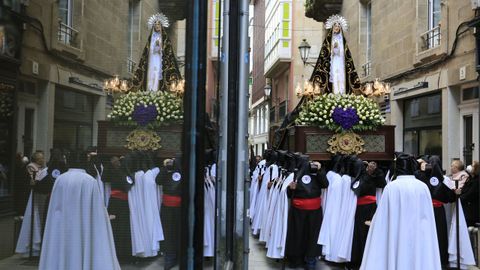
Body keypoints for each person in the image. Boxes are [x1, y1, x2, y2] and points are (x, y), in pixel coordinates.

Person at [39, 151, 120, 270]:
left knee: (62, 249)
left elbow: (55, 207)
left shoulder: (60, 179)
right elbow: (96, 208)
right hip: (83, 225)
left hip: (62, 225)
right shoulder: (89, 181)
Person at [360, 152, 441, 270]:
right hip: (418, 232)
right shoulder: (422, 187)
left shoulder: (392, 187)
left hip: (396, 231)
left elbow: (383, 215)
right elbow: (427, 216)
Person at [285, 154, 328, 270]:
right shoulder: (294, 173)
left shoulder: (316, 172)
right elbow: (288, 194)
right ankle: (296, 260)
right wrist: (290, 188)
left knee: (313, 236)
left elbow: (325, 184)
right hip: (298, 210)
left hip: (314, 211)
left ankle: (310, 260)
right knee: (297, 235)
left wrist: (320, 170)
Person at [415, 156, 456, 267]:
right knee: (439, 234)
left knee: (427, 234)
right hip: (437, 211)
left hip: (425, 211)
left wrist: (420, 167)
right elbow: (451, 197)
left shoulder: (421, 176)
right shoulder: (443, 179)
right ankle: (440, 260)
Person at [310, 14, 361, 95]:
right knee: (335, 76)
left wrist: (339, 51)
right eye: (335, 26)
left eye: (338, 26)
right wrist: (333, 50)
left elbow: (347, 55)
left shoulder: (343, 41)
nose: (337, 27)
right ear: (332, 27)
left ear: (340, 28)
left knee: (341, 77)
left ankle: (342, 93)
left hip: (341, 62)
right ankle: (334, 94)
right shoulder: (328, 40)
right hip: (333, 62)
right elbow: (324, 55)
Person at [131, 13, 182, 92]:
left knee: (157, 74)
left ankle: (157, 92)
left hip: (159, 61)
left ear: (161, 26)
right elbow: (146, 53)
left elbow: (168, 54)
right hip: (151, 60)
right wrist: (153, 49)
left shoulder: (165, 39)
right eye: (155, 24)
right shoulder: (151, 39)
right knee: (151, 75)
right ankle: (149, 90)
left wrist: (160, 49)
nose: (157, 26)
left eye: (158, 24)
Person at [15, 150, 48, 257]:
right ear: (36, 160)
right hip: (32, 196)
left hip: (40, 196)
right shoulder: (31, 166)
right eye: (40, 159)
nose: (42, 160)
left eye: (42, 158)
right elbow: (34, 179)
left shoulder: (43, 167)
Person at [461, 161, 479, 226]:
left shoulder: (477, 181)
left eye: (473, 166)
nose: (470, 167)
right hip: (468, 210)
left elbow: (470, 194)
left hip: (472, 213)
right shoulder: (471, 178)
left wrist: (459, 198)